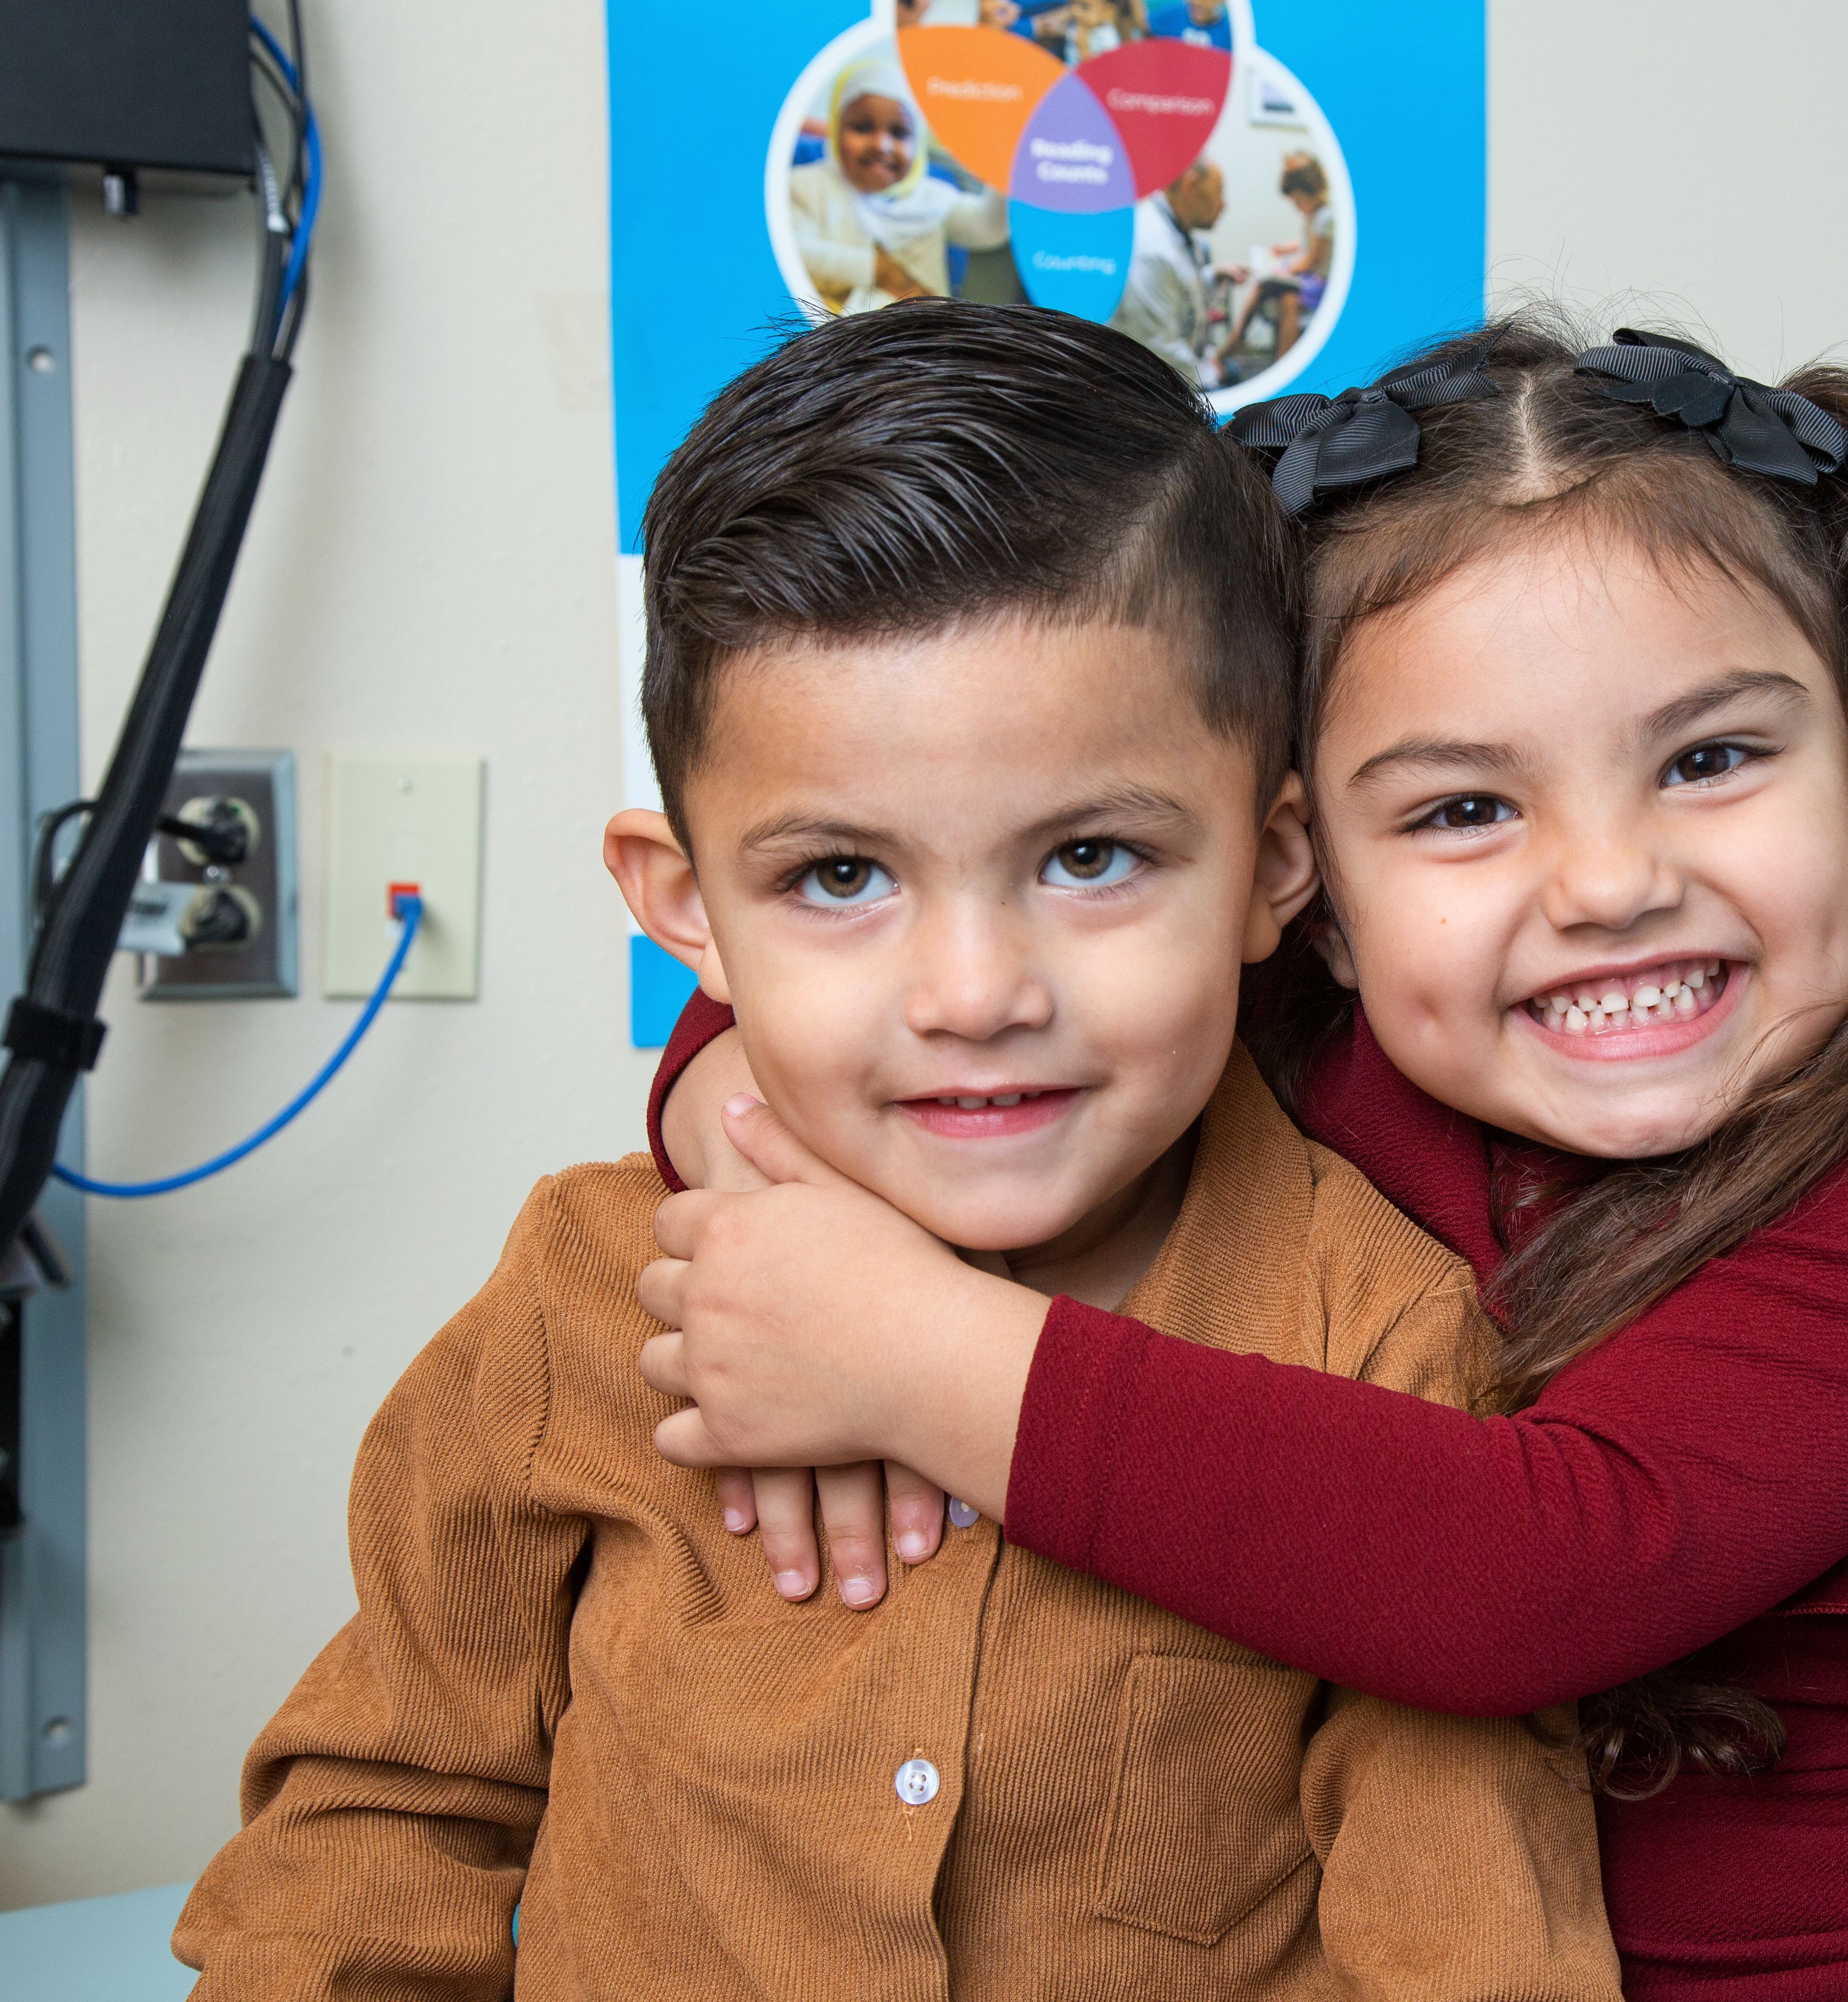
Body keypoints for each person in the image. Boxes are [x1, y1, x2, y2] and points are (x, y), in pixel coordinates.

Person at [638, 313, 1848, 2001]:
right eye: (1465, 810)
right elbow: (957, 1010)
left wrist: (913, 1357)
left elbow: (1539, 1570)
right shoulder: (1327, 1060)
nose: (1605, 883)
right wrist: (736, 1136)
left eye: (1712, 758)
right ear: (1300, 884)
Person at [171, 305, 1621, 2002]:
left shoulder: (1381, 1337)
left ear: (1273, 865)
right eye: (840, 878)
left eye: (1090, 855)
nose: (975, 995)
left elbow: (1471, 1938)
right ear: (687, 911)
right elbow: (383, 1815)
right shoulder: (584, 1294)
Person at [785, 51, 1008, 312]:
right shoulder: (804, 186)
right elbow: (793, 253)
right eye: (863, 128)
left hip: (922, 345)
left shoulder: (932, 197)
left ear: (920, 143)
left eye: (900, 133)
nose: (882, 145)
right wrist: (880, 270)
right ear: (836, 130)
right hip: (831, 338)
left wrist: (1005, 166)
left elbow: (989, 229)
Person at [1214, 151, 1333, 379]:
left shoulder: (1326, 217)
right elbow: (1307, 241)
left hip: (1320, 283)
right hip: (1309, 279)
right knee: (1264, 286)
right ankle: (1239, 341)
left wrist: (1286, 269)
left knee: (1288, 299)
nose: (1297, 207)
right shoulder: (1314, 216)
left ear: (1314, 192)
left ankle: (1281, 362)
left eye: (1299, 202)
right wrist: (1283, 250)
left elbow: (1314, 259)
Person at [1112, 158, 1223, 385]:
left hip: (1182, 368)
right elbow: (1158, 349)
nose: (1223, 205)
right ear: (1190, 186)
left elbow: (1181, 291)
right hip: (1151, 385)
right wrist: (1211, 376)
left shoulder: (1178, 231)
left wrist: (1213, 277)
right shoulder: (1151, 247)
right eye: (1218, 192)